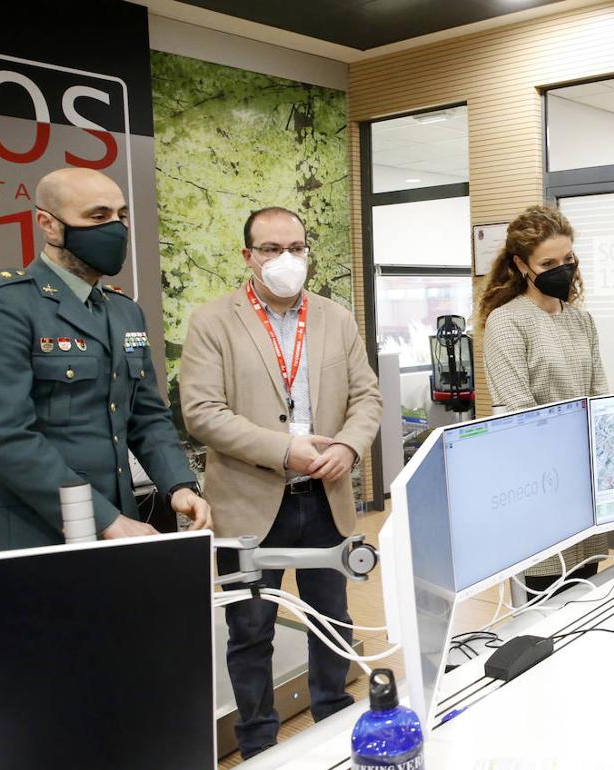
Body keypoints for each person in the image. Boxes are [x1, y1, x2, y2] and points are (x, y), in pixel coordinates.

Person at [180, 206, 382, 759]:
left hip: (324, 499)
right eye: (271, 249)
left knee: (332, 621)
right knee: (250, 630)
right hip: (247, 502)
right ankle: (259, 746)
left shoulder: (335, 318)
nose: (286, 259)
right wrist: (283, 450)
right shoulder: (212, 322)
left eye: (296, 247)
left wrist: (348, 445)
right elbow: (202, 412)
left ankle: (334, 725)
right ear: (248, 256)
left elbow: (366, 396)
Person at [0, 167, 209, 552]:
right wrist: (104, 519)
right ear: (48, 224)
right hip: (35, 530)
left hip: (119, 523)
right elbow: (5, 434)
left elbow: (146, 414)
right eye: (97, 216)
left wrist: (179, 484)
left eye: (121, 216)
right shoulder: (8, 305)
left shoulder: (125, 311)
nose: (116, 228)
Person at [477, 204, 609, 593]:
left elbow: (599, 397)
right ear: (521, 265)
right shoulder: (507, 322)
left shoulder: (581, 319)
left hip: (582, 481)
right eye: (548, 263)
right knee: (545, 597)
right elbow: (521, 415)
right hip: (538, 483)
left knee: (586, 591)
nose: (562, 269)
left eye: (567, 259)